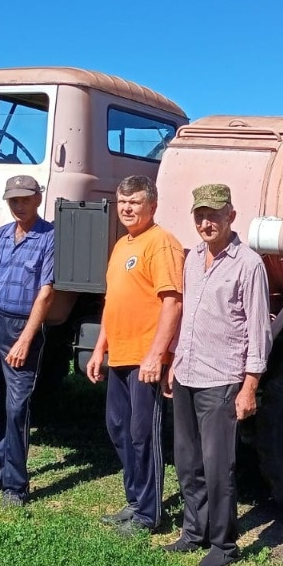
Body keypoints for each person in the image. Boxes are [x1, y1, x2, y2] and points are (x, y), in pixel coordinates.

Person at [163, 184, 272, 566]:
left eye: (214, 214)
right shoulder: (191, 259)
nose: (206, 223)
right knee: (187, 462)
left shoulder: (248, 264)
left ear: (231, 216)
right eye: (200, 215)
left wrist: (249, 387)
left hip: (222, 380)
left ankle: (224, 545)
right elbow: (185, 319)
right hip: (188, 374)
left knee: (217, 466)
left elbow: (259, 331)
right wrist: (173, 362)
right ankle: (194, 533)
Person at [86, 175, 184, 536]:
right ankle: (134, 500)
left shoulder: (161, 243)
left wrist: (157, 355)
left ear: (152, 206)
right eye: (122, 201)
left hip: (145, 357)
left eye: (135, 202)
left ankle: (149, 514)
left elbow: (172, 302)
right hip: (120, 355)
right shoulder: (122, 246)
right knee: (119, 428)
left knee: (144, 433)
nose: (127, 208)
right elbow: (113, 303)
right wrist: (100, 349)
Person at [0, 173, 56, 507]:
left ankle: (15, 486)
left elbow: (46, 294)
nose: (19, 205)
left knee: (16, 408)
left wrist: (25, 340)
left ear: (38, 199)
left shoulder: (50, 237)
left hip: (21, 327)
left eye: (25, 199)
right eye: (13, 200)